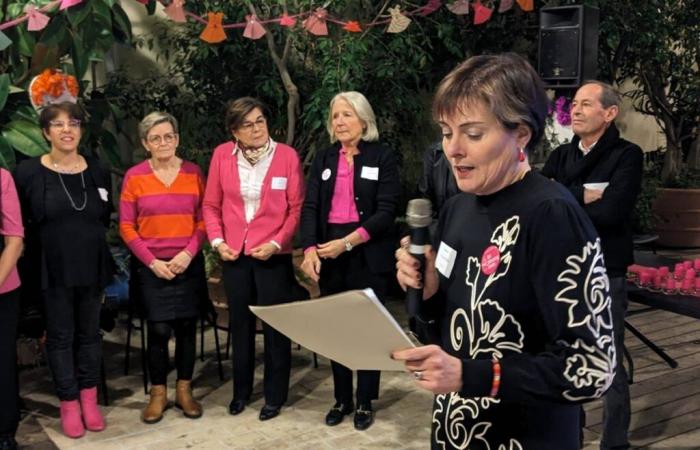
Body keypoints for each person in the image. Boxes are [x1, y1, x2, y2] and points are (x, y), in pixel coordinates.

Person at [393, 54, 616, 449]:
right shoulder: (457, 207)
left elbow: (592, 368)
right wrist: (428, 294)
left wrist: (472, 376)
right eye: (446, 133)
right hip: (455, 432)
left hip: (527, 436)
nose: (454, 150)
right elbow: (454, 331)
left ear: (522, 134)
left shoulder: (552, 216)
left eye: (473, 134)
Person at [541, 81, 643, 450]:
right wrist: (584, 194)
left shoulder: (628, 155)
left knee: (608, 355)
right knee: (565, 350)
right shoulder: (560, 154)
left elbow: (615, 212)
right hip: (561, 266)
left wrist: (565, 195)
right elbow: (544, 203)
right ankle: (572, 431)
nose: (577, 111)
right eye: (575, 104)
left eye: (586, 104)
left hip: (606, 268)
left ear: (610, 113)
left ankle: (615, 441)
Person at [15, 71, 113, 439]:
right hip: (51, 269)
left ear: (81, 130)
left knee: (89, 335)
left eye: (73, 123)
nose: (66, 130)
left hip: (92, 266)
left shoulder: (98, 170)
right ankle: (69, 403)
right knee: (59, 337)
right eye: (57, 125)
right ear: (45, 132)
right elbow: (18, 222)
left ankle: (89, 399)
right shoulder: (26, 172)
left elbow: (104, 216)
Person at [299, 91, 401, 430]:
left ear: (363, 119)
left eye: (346, 115)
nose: (339, 121)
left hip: (366, 252)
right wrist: (311, 249)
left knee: (367, 331)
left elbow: (387, 212)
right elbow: (311, 207)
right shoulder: (325, 158)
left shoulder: (382, 156)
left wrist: (347, 243)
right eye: (335, 116)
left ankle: (364, 400)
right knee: (338, 330)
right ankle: (341, 397)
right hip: (331, 254)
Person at [203, 97, 304, 422]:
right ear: (235, 131)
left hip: (272, 255)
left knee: (276, 327)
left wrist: (277, 243)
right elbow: (211, 205)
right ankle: (241, 392)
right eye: (248, 124)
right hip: (235, 254)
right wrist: (218, 242)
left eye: (260, 120)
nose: (257, 128)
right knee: (241, 327)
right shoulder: (222, 155)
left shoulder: (286, 156)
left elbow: (296, 208)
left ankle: (275, 396)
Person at [119, 112, 207, 424]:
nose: (163, 142)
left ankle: (184, 390)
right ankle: (158, 393)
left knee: (186, 329)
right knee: (157, 331)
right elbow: (127, 227)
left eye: (168, 136)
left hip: (187, 264)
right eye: (155, 138)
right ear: (146, 144)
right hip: (152, 267)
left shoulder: (194, 173)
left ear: (177, 139)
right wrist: (152, 262)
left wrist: (188, 254)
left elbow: (204, 219)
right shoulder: (135, 177)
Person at [0, 169, 24, 450]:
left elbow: (15, 238)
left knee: (3, 362)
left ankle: (5, 431)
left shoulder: (2, 177)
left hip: (3, 285)